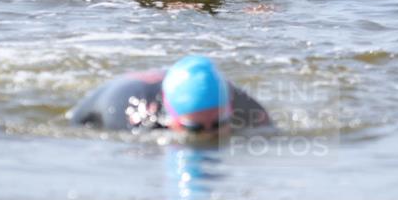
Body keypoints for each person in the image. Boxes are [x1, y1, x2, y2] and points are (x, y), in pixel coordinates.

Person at [67, 55, 272, 137]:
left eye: (219, 123)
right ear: (169, 117)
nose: (209, 134)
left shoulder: (246, 107)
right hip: (115, 94)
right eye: (195, 128)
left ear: (230, 109)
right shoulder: (136, 118)